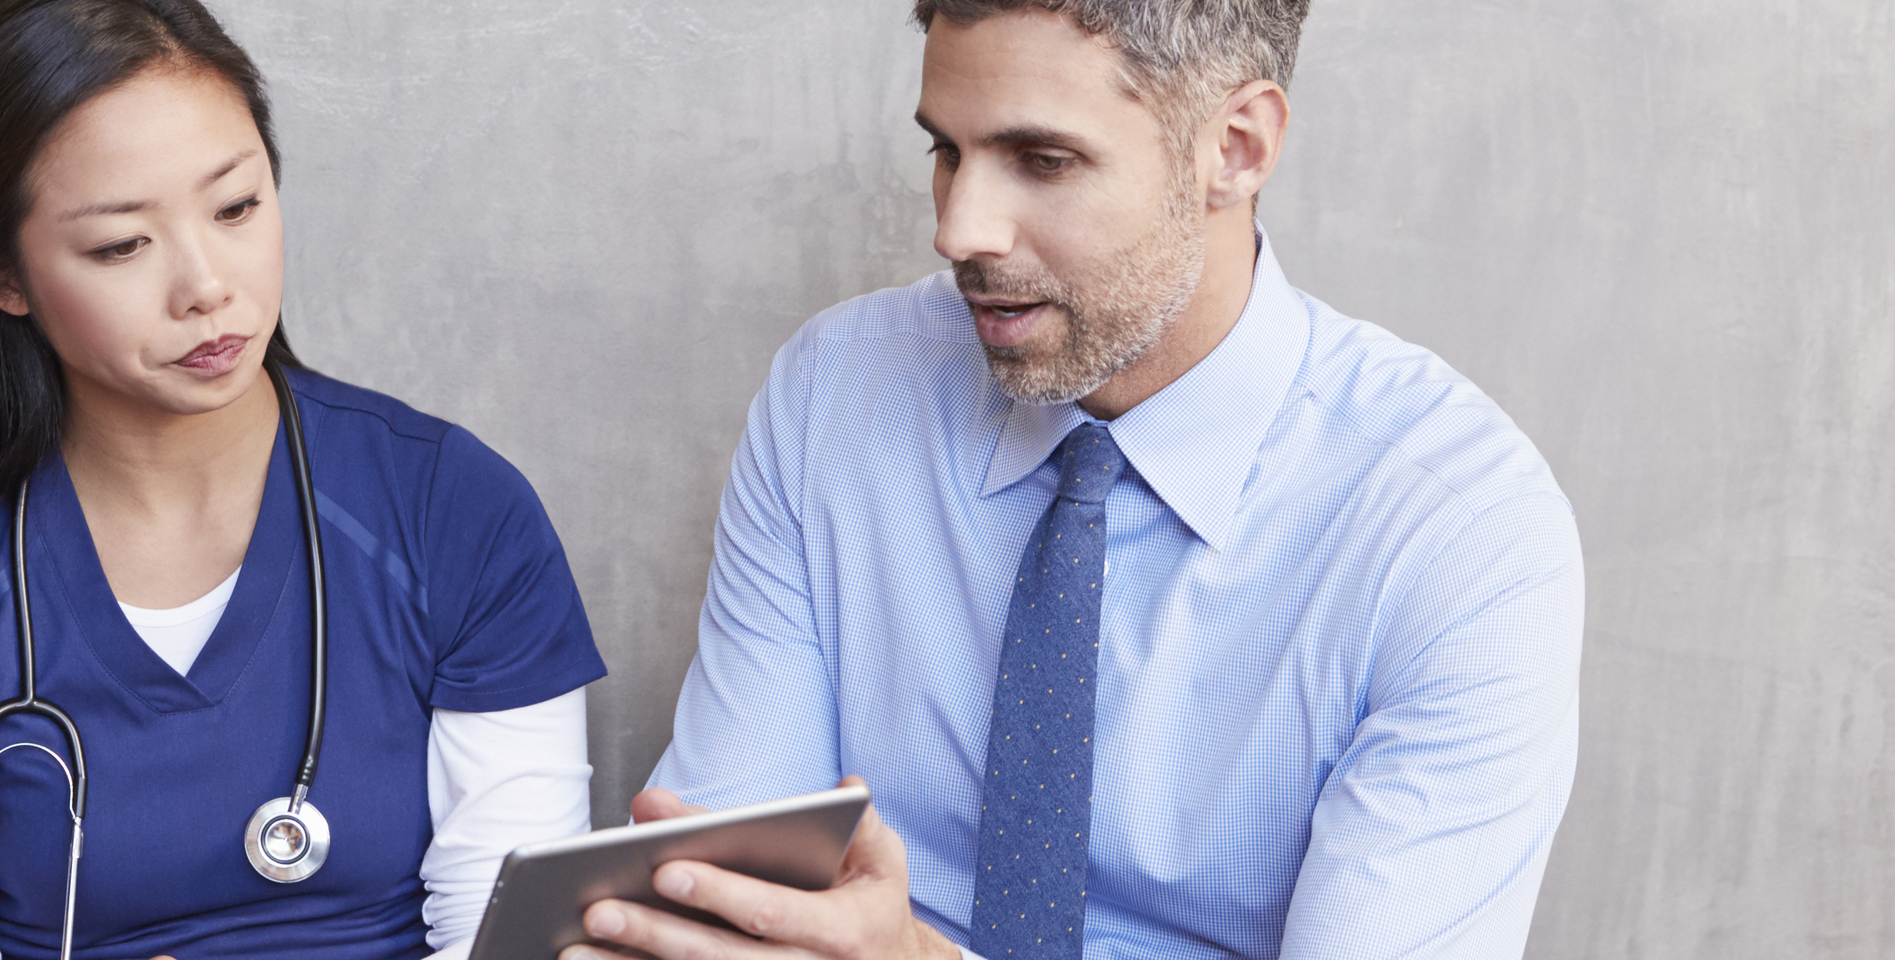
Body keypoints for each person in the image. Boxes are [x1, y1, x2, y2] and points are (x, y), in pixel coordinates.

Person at [596, 1, 1585, 959]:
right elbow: (718, 892)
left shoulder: (1459, 537)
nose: (960, 232)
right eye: (945, 151)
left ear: (1235, 148)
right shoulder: (840, 395)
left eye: (1043, 161)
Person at [0, 2, 611, 959]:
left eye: (237, 207)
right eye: (123, 245)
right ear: (4, 277)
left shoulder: (451, 510)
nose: (207, 285)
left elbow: (512, 937)